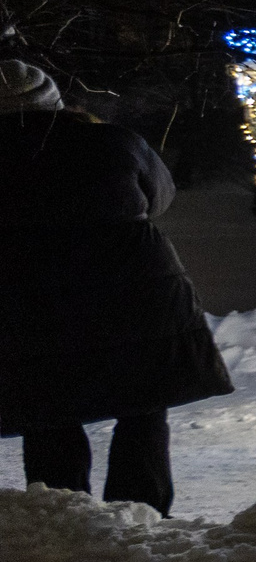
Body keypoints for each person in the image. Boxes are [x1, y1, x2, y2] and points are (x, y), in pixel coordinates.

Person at [0, 62, 232, 515]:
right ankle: (140, 515)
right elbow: (160, 198)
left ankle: (62, 519)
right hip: (135, 291)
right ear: (53, 100)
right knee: (143, 407)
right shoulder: (113, 142)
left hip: (30, 300)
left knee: (48, 411)